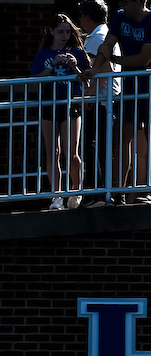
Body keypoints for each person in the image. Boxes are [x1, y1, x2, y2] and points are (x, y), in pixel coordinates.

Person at [83, 0, 151, 205]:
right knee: (124, 137)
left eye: (124, 2)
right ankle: (118, 191)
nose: (120, 6)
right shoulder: (120, 17)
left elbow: (144, 60)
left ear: (139, 2)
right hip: (131, 85)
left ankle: (147, 191)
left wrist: (115, 61)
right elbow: (107, 44)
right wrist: (94, 69)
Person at [31, 14, 90, 210]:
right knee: (52, 152)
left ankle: (76, 190)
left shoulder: (77, 52)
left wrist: (74, 66)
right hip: (49, 103)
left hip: (70, 103)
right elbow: (35, 79)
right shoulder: (44, 54)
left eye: (67, 31)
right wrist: (53, 63)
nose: (65, 35)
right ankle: (56, 196)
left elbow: (86, 82)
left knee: (71, 152)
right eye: (60, 31)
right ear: (52, 32)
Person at [78, 0, 120, 204]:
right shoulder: (105, 34)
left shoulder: (97, 38)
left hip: (100, 102)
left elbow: (104, 69)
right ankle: (105, 192)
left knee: (92, 146)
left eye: (81, 15)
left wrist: (89, 96)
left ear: (87, 16)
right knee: (102, 147)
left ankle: (96, 193)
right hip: (107, 101)